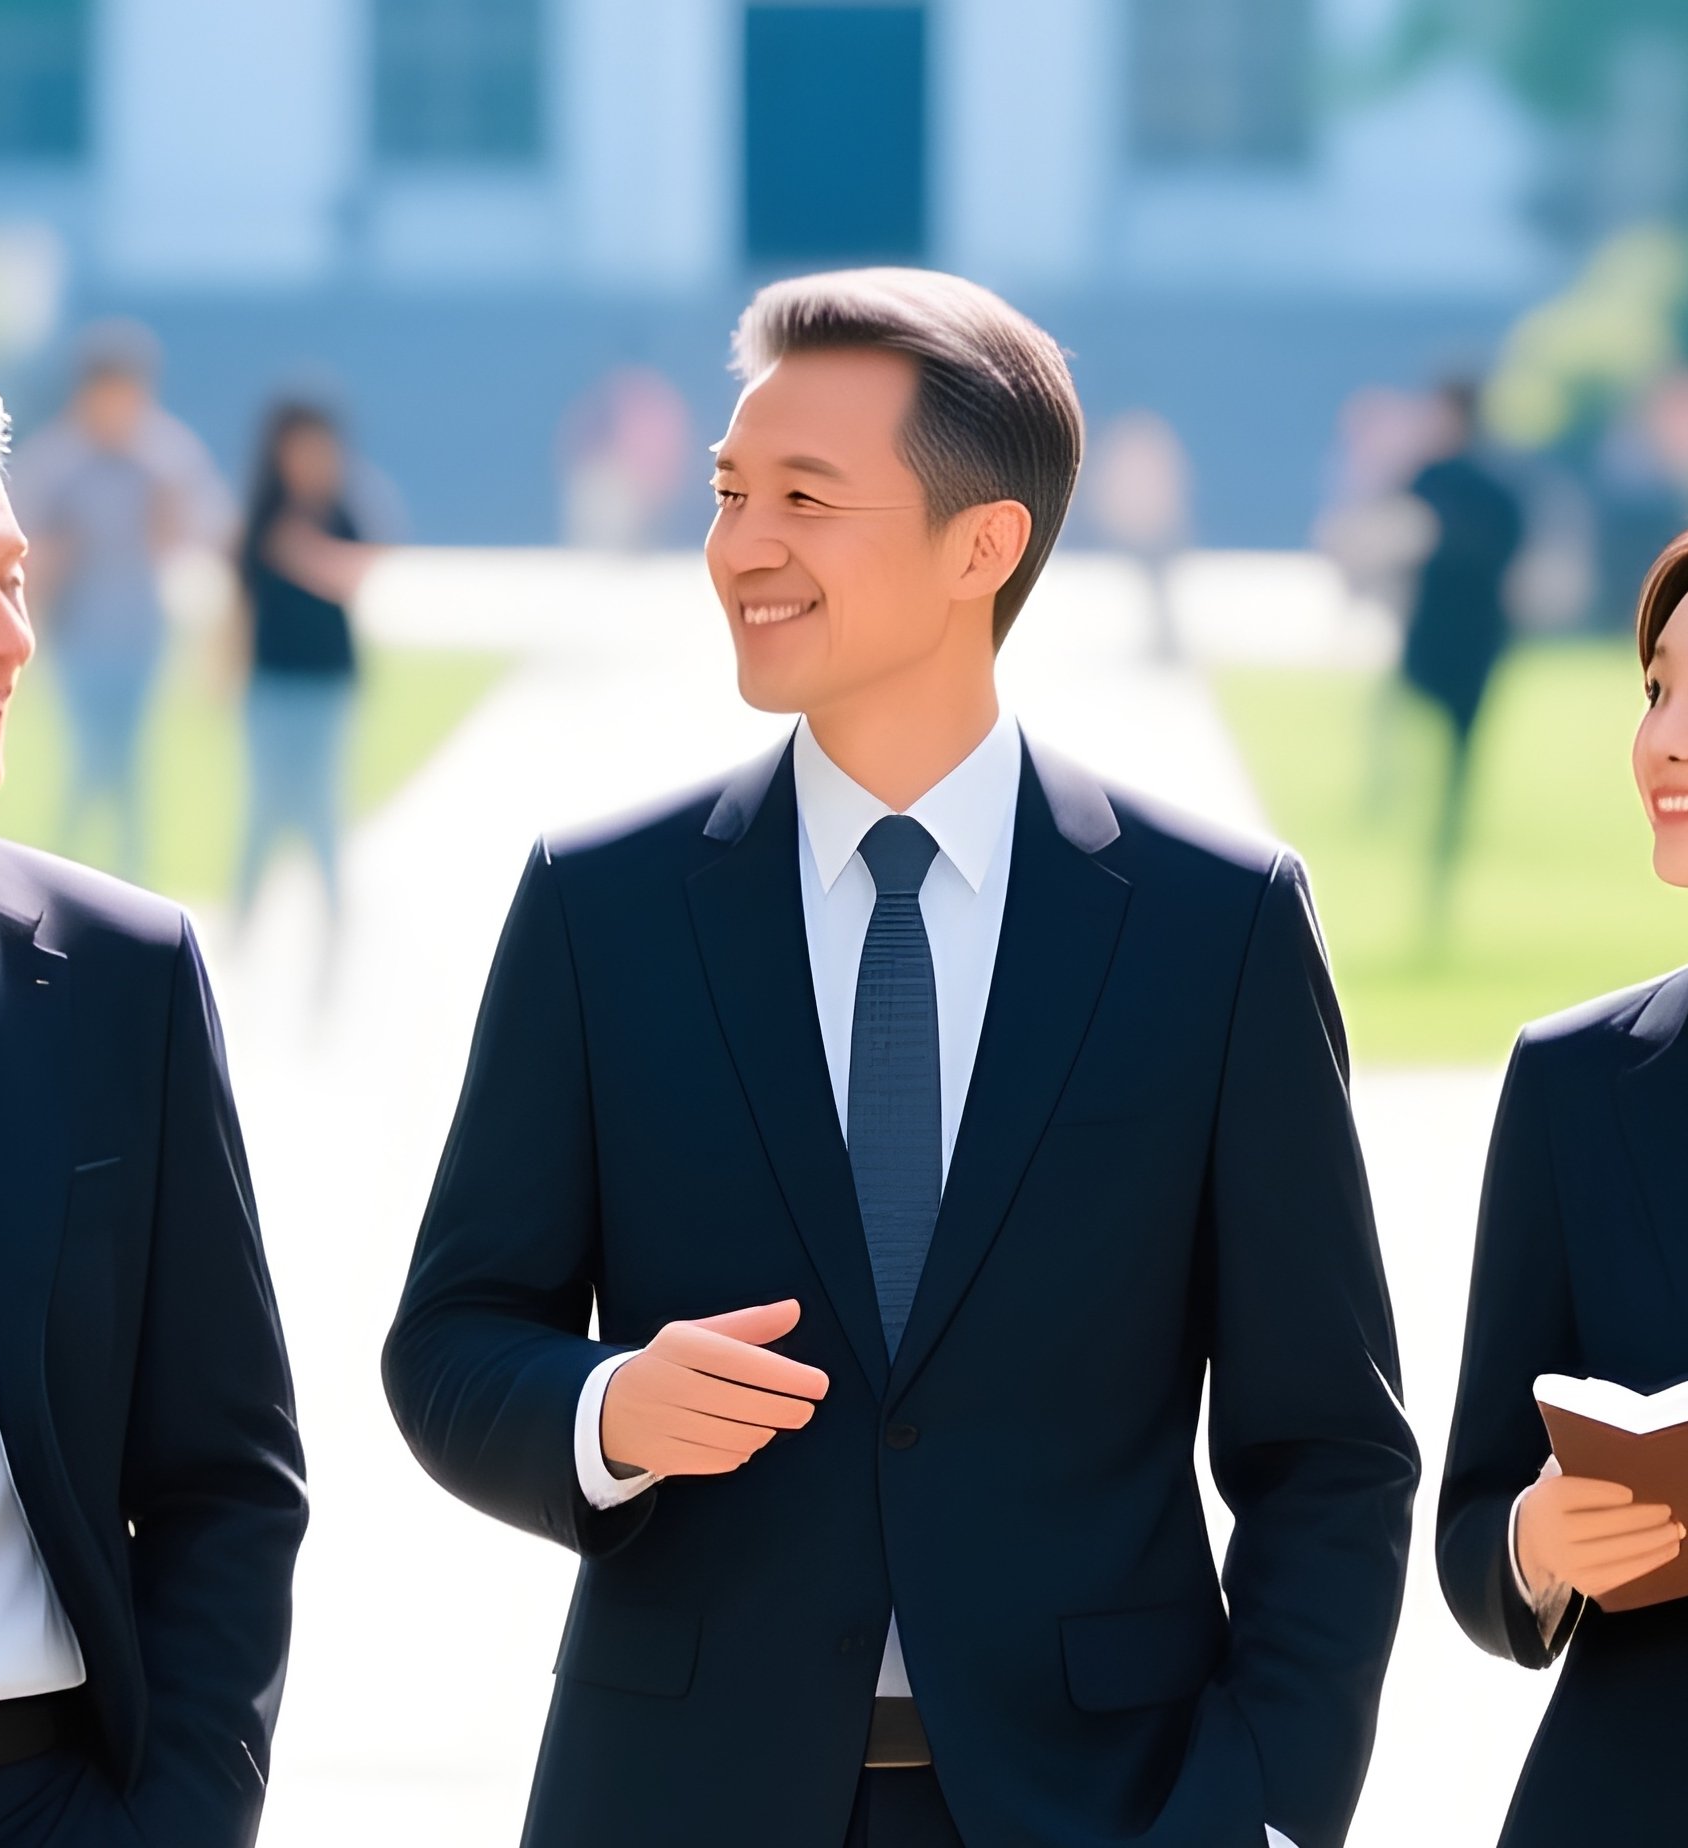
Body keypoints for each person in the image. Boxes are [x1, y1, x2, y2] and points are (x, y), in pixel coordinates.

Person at [383, 269, 1417, 1848]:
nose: (741, 546)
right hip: (678, 1802)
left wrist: (1263, 1812)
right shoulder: (603, 909)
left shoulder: (1218, 928)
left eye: (806, 498)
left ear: (983, 545)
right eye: (730, 492)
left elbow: (1328, 1450)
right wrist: (607, 1412)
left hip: (1108, 1808)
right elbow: (454, 1338)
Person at [0, 348, 305, 1842]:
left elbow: (226, 1481)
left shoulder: (117, 978)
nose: (13, 636)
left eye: (15, 580)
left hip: (16, 1809)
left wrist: (178, 1823)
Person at [1438, 527, 1688, 1844]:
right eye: (1656, 689)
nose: (1664, 743)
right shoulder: (1574, 1083)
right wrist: (1540, 1543)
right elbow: (1475, 1522)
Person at [8, 319, 234, 881]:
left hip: (141, 632)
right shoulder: (57, 460)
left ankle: (129, 881)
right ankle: (62, 876)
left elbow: (212, 529)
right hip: (79, 633)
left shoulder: (165, 457)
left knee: (132, 764)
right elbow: (16, 544)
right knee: (90, 758)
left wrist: (171, 526)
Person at [233, 398, 384, 953]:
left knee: (322, 803)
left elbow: (361, 570)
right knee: (265, 805)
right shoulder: (261, 516)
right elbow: (241, 602)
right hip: (270, 679)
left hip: (327, 678)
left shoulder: (342, 508)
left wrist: (304, 554)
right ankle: (243, 919)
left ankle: (335, 919)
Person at [1393, 380, 1526, 927]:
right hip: (1454, 636)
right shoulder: (1446, 480)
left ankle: (1439, 857)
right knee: (1433, 751)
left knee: (1448, 756)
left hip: (1461, 636)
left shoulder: (1448, 483)